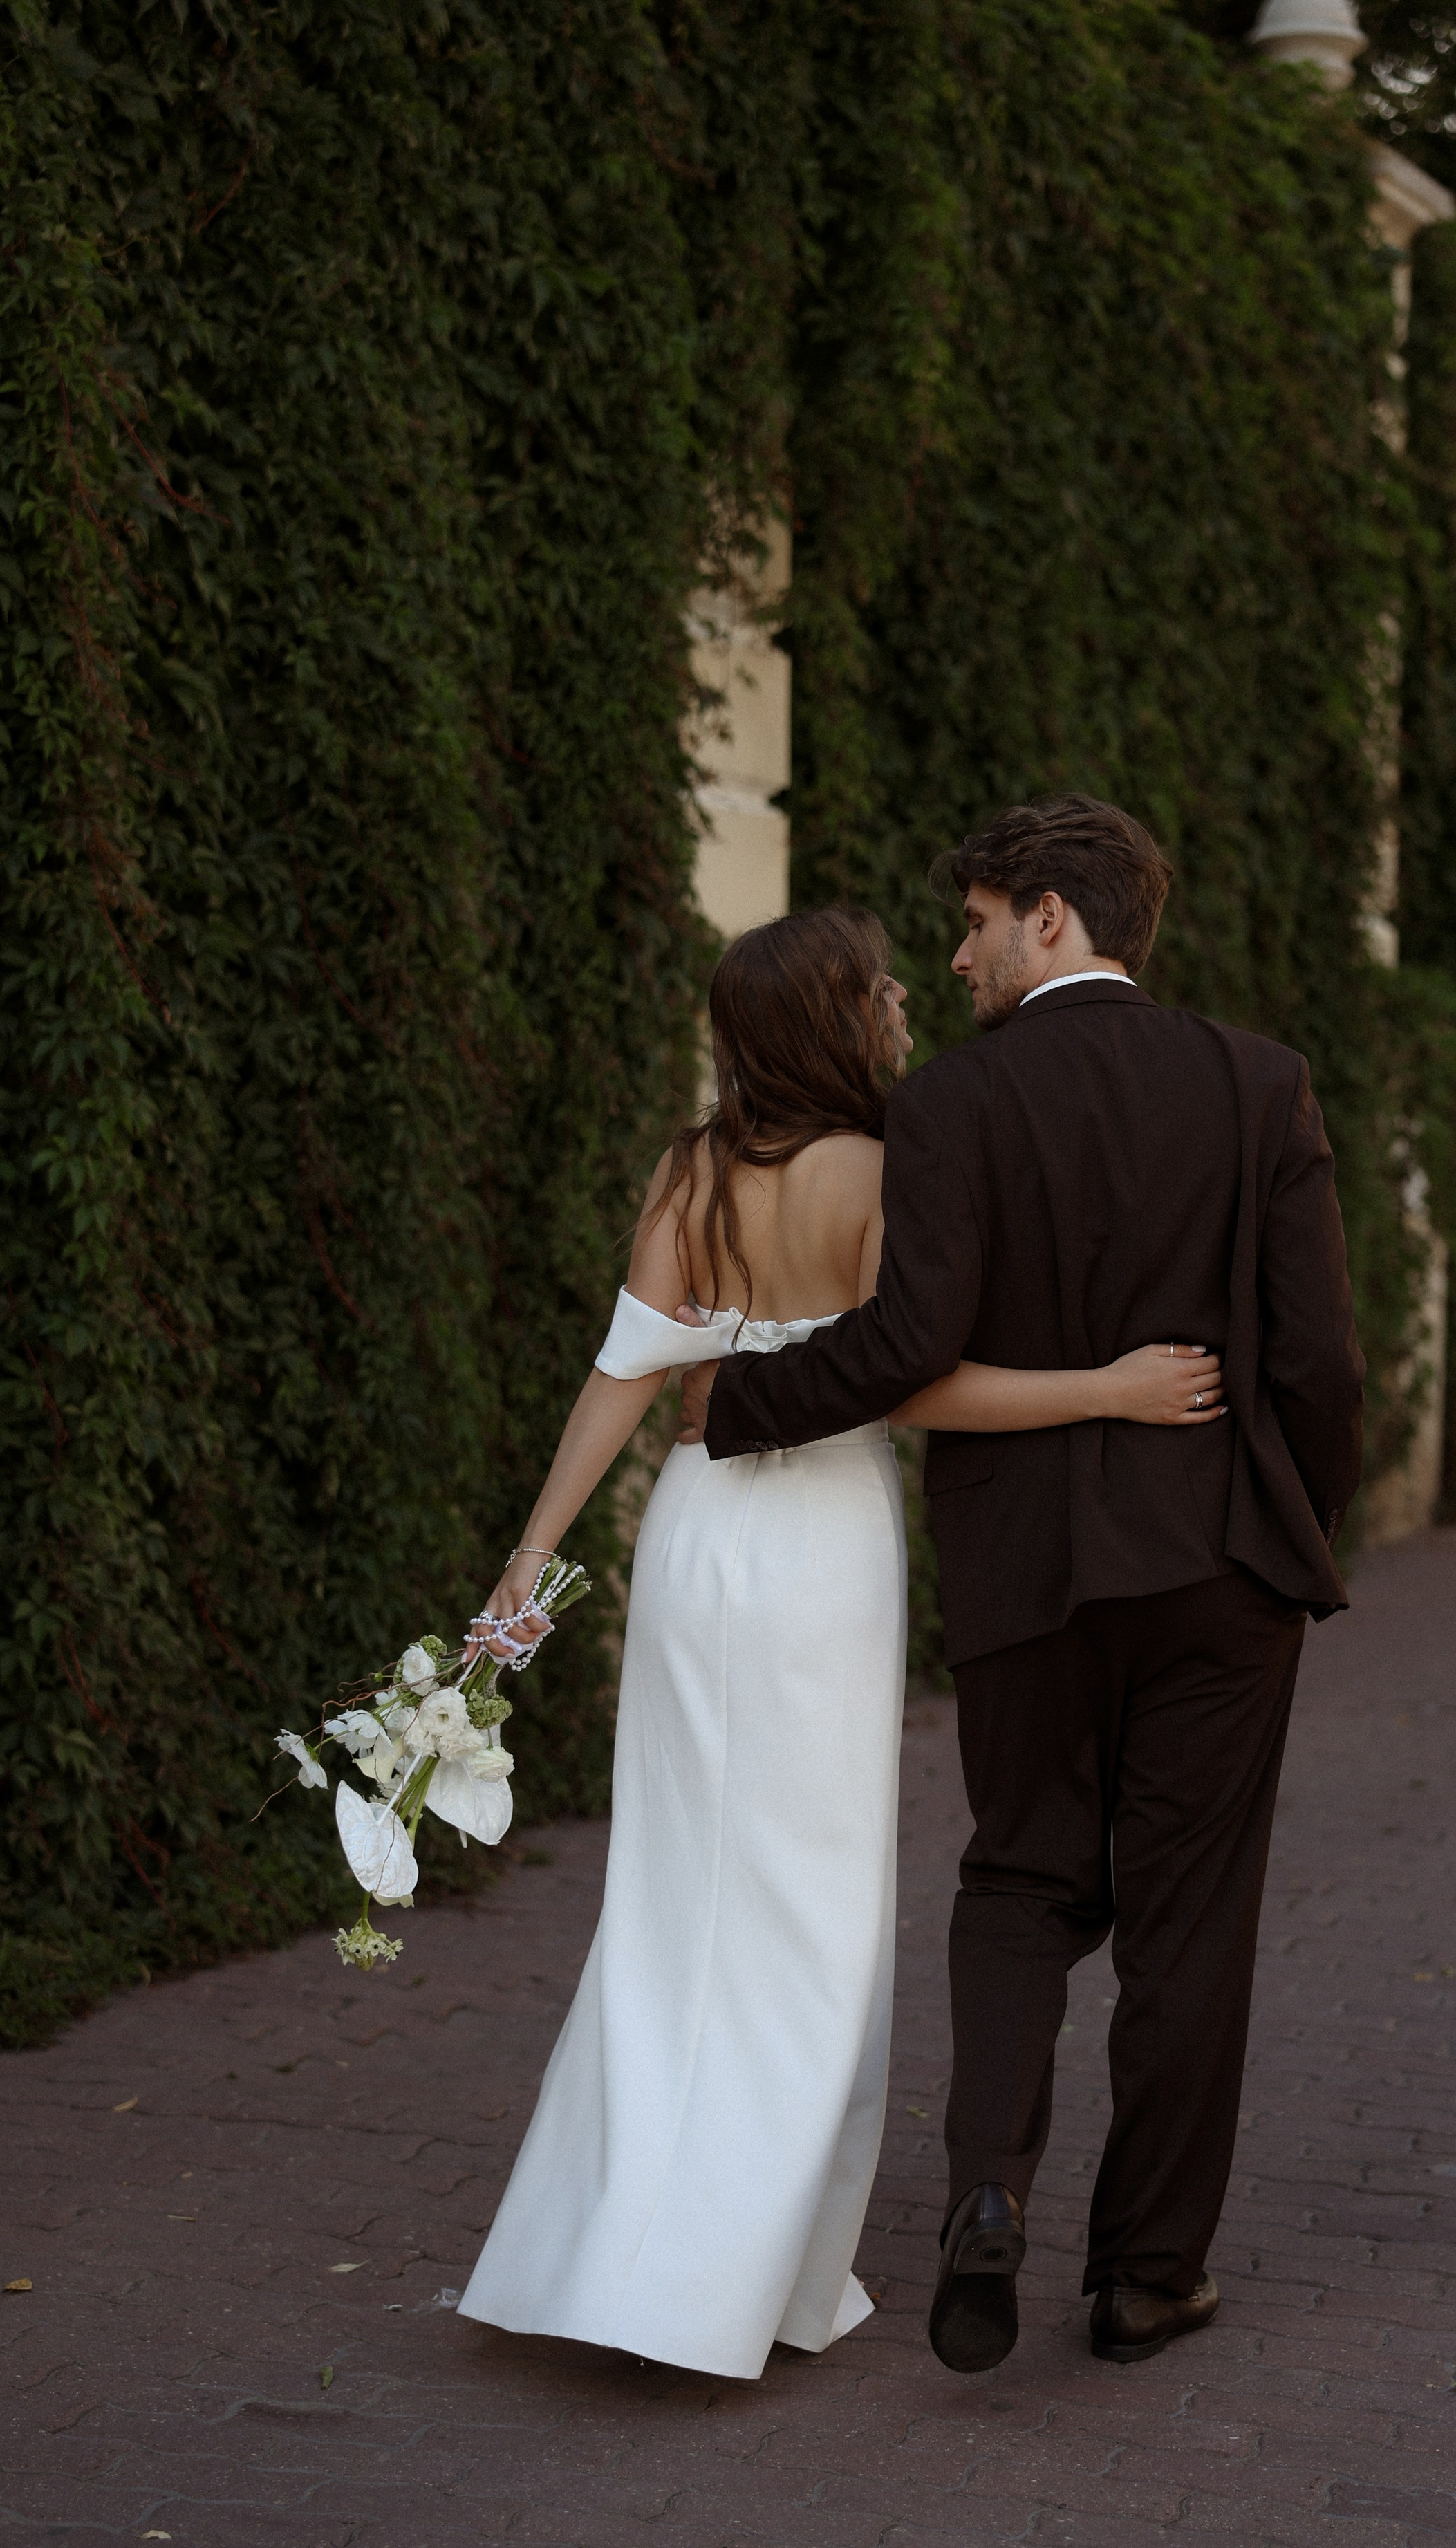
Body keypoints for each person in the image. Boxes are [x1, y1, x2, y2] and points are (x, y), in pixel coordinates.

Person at [456, 905, 1226, 2380]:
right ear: (827, 1019)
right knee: (814, 1908)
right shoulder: (886, 1168)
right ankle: (740, 2277)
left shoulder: (689, 1171)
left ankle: (610, 2244)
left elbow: (624, 1374)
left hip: (694, 1540)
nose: (897, 1002)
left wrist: (528, 1566)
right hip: (817, 1552)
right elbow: (913, 1386)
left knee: (674, 1896)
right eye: (873, 988)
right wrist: (1108, 1389)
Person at [678, 797, 1365, 2374]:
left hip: (1028, 1572)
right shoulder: (1261, 1085)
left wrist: (740, 1408)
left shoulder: (954, 1106)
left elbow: (910, 1345)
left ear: (1050, 919)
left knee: (1016, 1884)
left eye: (977, 920)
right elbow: (1317, 1361)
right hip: (1223, 1568)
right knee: (1190, 1924)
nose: (958, 950)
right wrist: (1284, 1524)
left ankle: (984, 2195)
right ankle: (1145, 2276)